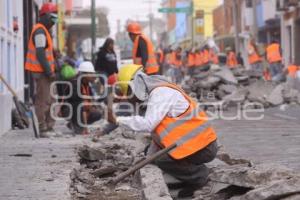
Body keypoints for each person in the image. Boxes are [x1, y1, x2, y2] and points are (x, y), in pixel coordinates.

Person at [107, 64, 218, 198]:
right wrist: (147, 158)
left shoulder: (161, 94)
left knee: (161, 159)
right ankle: (189, 180)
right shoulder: (155, 93)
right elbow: (158, 134)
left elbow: (148, 124)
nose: (132, 99)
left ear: (135, 86)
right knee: (152, 154)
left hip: (204, 147)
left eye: (130, 94)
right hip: (194, 144)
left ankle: (201, 178)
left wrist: (118, 120)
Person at [25, 2, 58, 138]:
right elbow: (40, 54)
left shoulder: (45, 31)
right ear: (44, 16)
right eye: (52, 18)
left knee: (52, 100)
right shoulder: (39, 31)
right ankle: (43, 128)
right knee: (43, 100)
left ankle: (49, 127)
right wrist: (49, 71)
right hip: (42, 72)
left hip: (45, 72)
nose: (54, 22)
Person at [66, 61, 102, 135]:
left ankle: (74, 124)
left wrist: (93, 106)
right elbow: (80, 105)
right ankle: (77, 125)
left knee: (97, 113)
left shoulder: (86, 84)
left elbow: (91, 99)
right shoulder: (75, 84)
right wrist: (85, 128)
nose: (93, 76)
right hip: (70, 109)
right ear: (84, 74)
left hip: (81, 109)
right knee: (80, 107)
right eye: (91, 73)